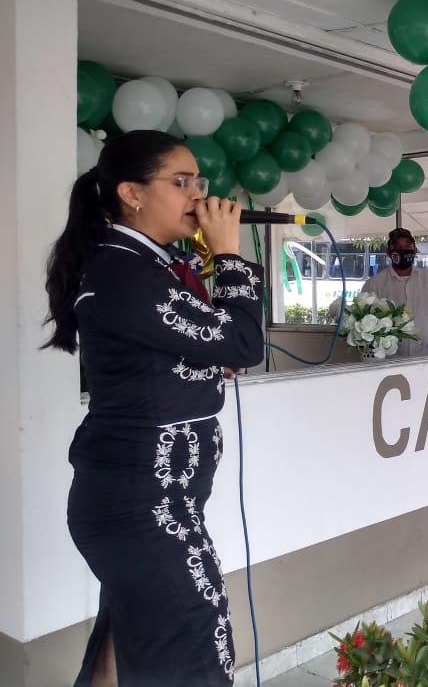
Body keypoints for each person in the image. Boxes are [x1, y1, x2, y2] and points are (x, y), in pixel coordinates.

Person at [42, 130, 266, 686]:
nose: (198, 195)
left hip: (155, 499)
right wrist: (231, 255)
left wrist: (205, 357)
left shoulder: (151, 268)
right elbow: (243, 343)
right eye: (181, 181)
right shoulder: (124, 273)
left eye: (200, 182)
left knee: (133, 643)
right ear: (132, 194)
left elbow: (207, 346)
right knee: (195, 647)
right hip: (142, 504)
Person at [360, 227, 428, 356]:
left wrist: (421, 335)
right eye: (397, 246)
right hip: (389, 360)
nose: (403, 250)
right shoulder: (374, 284)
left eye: (407, 246)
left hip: (424, 356)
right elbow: (365, 321)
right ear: (388, 252)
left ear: (415, 250)